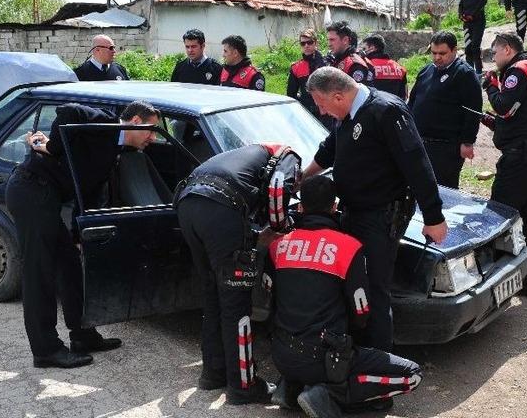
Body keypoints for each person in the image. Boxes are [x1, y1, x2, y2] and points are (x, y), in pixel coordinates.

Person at [302, 67, 448, 353]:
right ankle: (356, 351)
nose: (321, 111)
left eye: (321, 104)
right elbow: (330, 148)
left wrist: (434, 217)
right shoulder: (347, 115)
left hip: (380, 217)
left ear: (338, 96)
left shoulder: (386, 111)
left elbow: (417, 165)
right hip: (355, 213)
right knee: (354, 284)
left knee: (375, 290)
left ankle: (380, 363)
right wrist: (304, 177)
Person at [6, 101, 160, 368]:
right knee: (39, 273)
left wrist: (79, 235)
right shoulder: (105, 124)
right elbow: (68, 110)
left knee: (70, 266)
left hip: (47, 197)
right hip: (31, 191)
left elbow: (85, 192)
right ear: (136, 121)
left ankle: (83, 335)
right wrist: (53, 147)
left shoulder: (115, 149)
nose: (153, 138)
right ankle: (45, 350)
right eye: (152, 130)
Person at [265, 175, 423, 417]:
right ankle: (328, 393)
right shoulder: (348, 247)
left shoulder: (278, 246)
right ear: (335, 207)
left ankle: (291, 386)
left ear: (301, 208)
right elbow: (362, 312)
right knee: (412, 374)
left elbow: (270, 301)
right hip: (326, 359)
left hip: (281, 355)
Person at [174, 143, 301, 404]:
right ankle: (243, 386)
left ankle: (213, 373)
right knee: (236, 305)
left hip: (187, 205)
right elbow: (278, 188)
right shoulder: (289, 155)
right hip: (220, 208)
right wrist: (280, 227)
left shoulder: (244, 155)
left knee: (213, 295)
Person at [482, 31, 527, 300]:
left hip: (520, 158)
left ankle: (492, 289)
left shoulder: (518, 70)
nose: (494, 58)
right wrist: (497, 124)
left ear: (508, 50)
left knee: (496, 217)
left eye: (495, 52)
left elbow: (504, 106)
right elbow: (521, 116)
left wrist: (491, 85)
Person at [408, 31, 482, 189]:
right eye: (434, 53)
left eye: (442, 53)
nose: (437, 57)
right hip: (420, 142)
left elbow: (473, 111)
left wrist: (467, 142)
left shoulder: (464, 74)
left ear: (454, 50)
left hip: (446, 148)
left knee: (443, 190)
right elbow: (413, 102)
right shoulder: (426, 71)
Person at [287, 29, 330, 126]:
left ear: (316, 43)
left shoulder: (327, 63)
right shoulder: (296, 67)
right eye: (303, 43)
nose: (306, 46)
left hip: (328, 112)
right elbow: (291, 95)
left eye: (309, 42)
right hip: (307, 114)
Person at [458, 0, 489, 74]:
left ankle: (479, 72)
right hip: (467, 23)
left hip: (478, 22)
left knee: (475, 47)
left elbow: (482, 2)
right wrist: (460, 15)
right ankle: (470, 73)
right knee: (468, 48)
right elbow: (461, 4)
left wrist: (472, 15)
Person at [325, 21, 374, 86]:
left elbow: (355, 91)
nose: (329, 44)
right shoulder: (338, 58)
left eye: (332, 40)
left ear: (345, 40)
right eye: (328, 40)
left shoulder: (355, 64)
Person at [360, 34, 407, 99]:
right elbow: (404, 96)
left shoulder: (365, 65)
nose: (363, 51)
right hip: (395, 104)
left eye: (364, 48)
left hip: (372, 104)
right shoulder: (399, 68)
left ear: (372, 48)